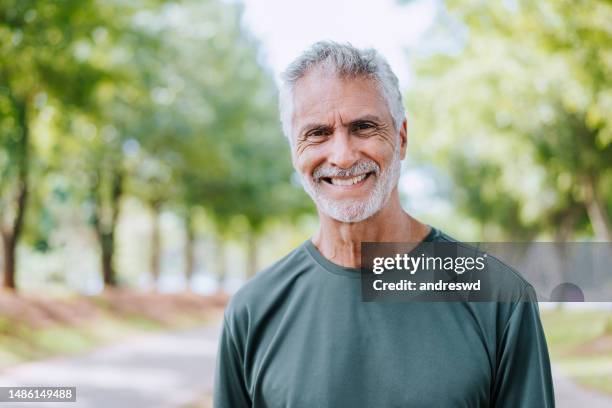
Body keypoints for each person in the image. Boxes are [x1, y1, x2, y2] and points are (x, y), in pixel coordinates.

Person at [214, 41, 554, 407]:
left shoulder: (499, 298)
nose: (343, 156)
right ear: (294, 151)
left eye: (363, 127)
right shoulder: (252, 312)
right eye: (317, 133)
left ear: (402, 138)